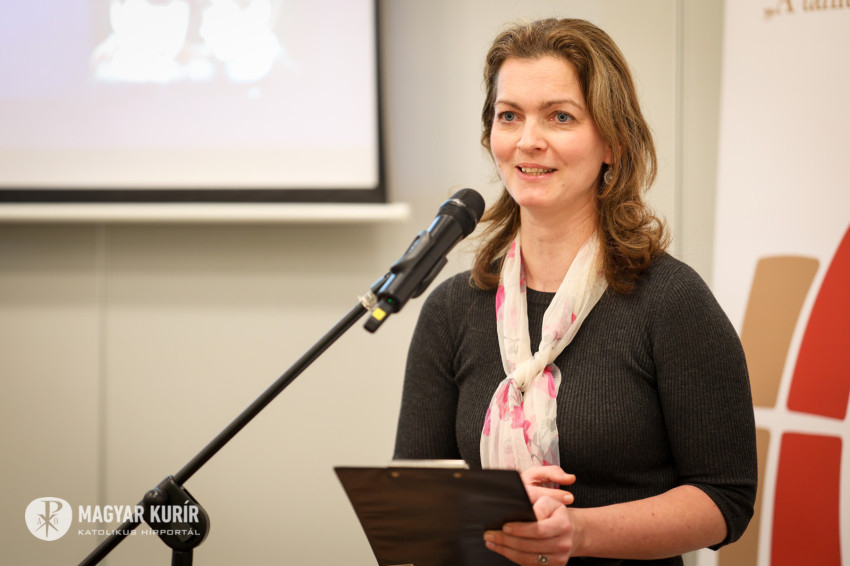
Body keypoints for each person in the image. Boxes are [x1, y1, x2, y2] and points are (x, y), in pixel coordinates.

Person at [393, 17, 757, 566]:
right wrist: (485, 507)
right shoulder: (451, 308)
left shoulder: (670, 301)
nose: (528, 141)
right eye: (509, 116)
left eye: (560, 116)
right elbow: (409, 504)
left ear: (612, 142)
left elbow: (725, 498)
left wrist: (578, 532)